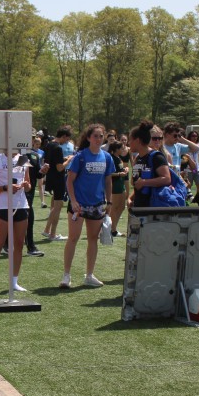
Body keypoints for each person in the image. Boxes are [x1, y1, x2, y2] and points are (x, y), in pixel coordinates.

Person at [59, 124, 115, 289]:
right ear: (89, 137)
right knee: (73, 238)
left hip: (97, 204)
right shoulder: (81, 156)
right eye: (95, 136)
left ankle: (89, 275)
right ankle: (66, 275)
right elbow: (69, 180)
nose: (98, 139)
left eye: (101, 136)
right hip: (79, 205)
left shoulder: (107, 157)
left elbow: (108, 181)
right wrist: (73, 201)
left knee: (93, 239)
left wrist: (109, 201)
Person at [0, 150, 32, 295]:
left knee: (19, 245)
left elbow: (28, 184)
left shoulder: (23, 159)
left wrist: (26, 185)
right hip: (3, 206)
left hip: (21, 205)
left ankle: (14, 282)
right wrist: (6, 187)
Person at [128, 120, 172, 208]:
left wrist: (144, 182)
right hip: (138, 206)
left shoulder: (156, 157)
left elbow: (167, 179)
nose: (129, 143)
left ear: (138, 140)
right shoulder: (137, 158)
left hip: (153, 207)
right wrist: (130, 198)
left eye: (130, 140)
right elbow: (137, 184)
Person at [41, 126, 74, 241]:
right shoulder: (58, 148)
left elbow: (53, 160)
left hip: (51, 177)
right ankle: (53, 234)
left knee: (55, 207)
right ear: (63, 136)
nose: (67, 142)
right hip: (58, 179)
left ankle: (47, 230)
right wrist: (69, 160)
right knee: (57, 208)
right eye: (67, 139)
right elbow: (60, 168)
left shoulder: (49, 145)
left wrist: (64, 158)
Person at [107, 140, 130, 235]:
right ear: (116, 149)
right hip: (115, 185)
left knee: (121, 207)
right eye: (121, 148)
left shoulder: (118, 157)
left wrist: (125, 169)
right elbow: (108, 173)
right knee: (114, 208)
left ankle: (114, 228)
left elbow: (120, 169)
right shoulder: (111, 158)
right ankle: (110, 229)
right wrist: (119, 174)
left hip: (121, 184)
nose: (123, 149)